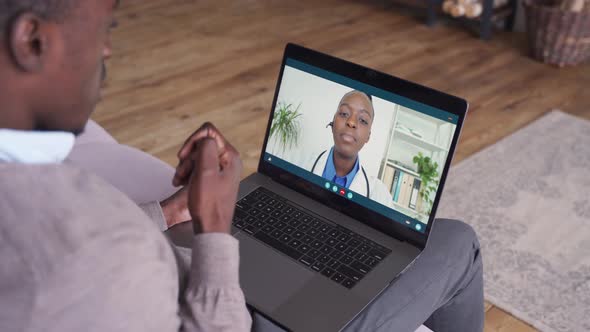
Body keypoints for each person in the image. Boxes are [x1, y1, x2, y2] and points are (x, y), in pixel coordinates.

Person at [0, 1, 485, 332]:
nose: (106, 50)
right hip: (234, 311)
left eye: (362, 120)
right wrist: (214, 231)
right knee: (459, 241)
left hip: (200, 276)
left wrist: (169, 214)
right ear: (32, 40)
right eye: (105, 27)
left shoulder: (59, 206)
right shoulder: (98, 254)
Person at [310, 90, 394, 206]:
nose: (351, 122)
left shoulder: (382, 198)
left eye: (363, 120)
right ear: (333, 122)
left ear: (368, 136)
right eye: (344, 114)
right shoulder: (297, 162)